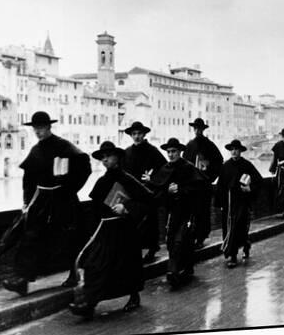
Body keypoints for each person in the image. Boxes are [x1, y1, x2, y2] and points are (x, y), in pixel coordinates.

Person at [2, 111, 92, 296]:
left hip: (63, 200)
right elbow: (28, 180)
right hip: (42, 201)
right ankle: (22, 279)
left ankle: (74, 273)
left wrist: (70, 188)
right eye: (36, 129)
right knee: (30, 235)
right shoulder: (36, 151)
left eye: (41, 128)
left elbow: (85, 166)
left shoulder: (63, 146)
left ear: (49, 127)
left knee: (69, 237)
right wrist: (27, 202)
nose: (38, 132)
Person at [69, 141, 154, 318]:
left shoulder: (127, 179)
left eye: (108, 156)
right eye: (102, 157)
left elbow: (148, 200)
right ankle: (89, 302)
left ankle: (133, 296)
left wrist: (127, 208)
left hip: (124, 230)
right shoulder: (101, 181)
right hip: (105, 229)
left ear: (118, 158)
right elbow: (94, 208)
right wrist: (92, 229)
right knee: (96, 264)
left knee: (127, 265)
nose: (105, 159)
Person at [147, 138, 204, 288]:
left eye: (174, 151)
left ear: (180, 152)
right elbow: (157, 189)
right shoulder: (164, 169)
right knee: (171, 240)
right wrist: (166, 190)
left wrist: (181, 189)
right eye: (169, 152)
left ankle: (174, 271)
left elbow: (199, 187)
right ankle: (181, 268)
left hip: (186, 211)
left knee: (182, 239)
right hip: (170, 212)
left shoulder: (188, 168)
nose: (171, 155)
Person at [122, 121, 167, 263]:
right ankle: (136, 251)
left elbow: (165, 169)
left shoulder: (152, 151)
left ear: (144, 134)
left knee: (150, 223)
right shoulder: (126, 153)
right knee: (134, 223)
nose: (137, 137)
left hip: (148, 193)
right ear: (130, 135)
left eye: (139, 134)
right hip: (132, 194)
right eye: (134, 134)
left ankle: (152, 249)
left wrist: (152, 178)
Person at [215, 140, 263, 268]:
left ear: (241, 151)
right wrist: (219, 203)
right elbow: (220, 186)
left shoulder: (247, 165)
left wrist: (250, 188)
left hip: (242, 202)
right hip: (228, 203)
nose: (234, 151)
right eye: (232, 149)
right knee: (229, 227)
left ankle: (234, 255)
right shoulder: (225, 166)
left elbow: (259, 180)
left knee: (238, 227)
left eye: (236, 149)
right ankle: (238, 248)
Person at [183, 118, 223, 249]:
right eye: (195, 128)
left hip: (204, 186)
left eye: (199, 129)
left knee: (203, 212)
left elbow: (218, 161)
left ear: (203, 130)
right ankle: (192, 236)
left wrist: (210, 176)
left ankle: (201, 236)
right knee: (192, 211)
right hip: (192, 185)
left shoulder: (209, 145)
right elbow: (184, 164)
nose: (197, 131)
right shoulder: (189, 146)